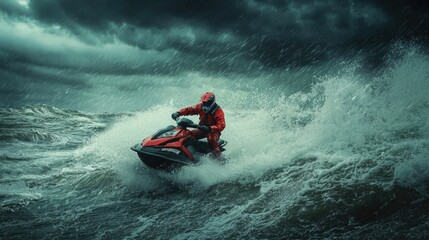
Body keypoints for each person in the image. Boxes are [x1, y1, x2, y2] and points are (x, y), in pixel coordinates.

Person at [171, 92, 226, 159]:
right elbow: (189, 110)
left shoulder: (218, 111)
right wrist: (178, 113)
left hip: (213, 131)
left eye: (207, 103)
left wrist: (210, 128)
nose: (205, 104)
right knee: (187, 134)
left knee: (211, 138)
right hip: (201, 129)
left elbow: (222, 125)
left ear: (212, 102)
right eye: (204, 102)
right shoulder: (200, 106)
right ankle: (189, 151)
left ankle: (219, 157)